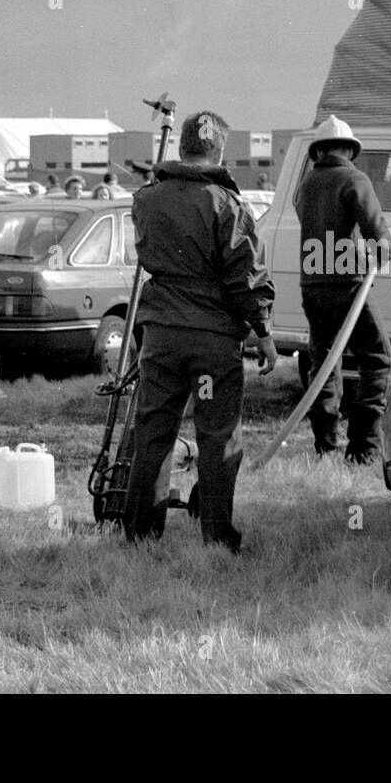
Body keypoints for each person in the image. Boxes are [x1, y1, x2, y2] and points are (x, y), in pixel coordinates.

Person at [122, 109, 277, 553]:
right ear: (219, 150)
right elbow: (244, 275)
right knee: (217, 435)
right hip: (211, 342)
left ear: (182, 147)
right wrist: (263, 331)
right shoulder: (226, 204)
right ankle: (217, 539)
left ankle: (139, 535)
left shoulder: (147, 199)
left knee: (153, 431)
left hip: (161, 337)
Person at [295, 114, 391, 466]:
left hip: (313, 282)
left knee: (324, 363)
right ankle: (364, 448)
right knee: (379, 359)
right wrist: (383, 246)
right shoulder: (354, 178)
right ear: (350, 150)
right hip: (347, 282)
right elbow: (375, 229)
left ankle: (325, 446)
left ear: (319, 150)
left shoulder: (306, 183)